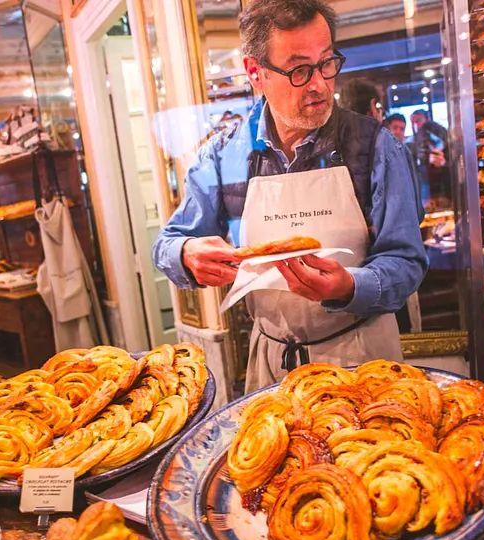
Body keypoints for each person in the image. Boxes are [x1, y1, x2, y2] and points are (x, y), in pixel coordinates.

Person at [152, 0, 427, 392]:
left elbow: (407, 261)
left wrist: (350, 286)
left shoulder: (376, 148)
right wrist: (185, 254)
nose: (319, 84)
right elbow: (167, 242)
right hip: (272, 366)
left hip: (362, 358)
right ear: (255, 73)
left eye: (327, 63)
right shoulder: (225, 156)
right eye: (299, 70)